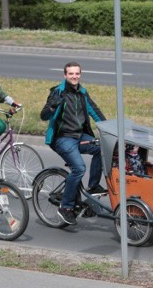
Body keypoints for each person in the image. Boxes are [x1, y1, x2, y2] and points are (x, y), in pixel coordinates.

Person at [40, 61, 106, 226]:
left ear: (80, 75)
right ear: (65, 75)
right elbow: (44, 116)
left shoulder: (82, 93)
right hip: (62, 138)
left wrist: (108, 130)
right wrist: (52, 107)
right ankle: (66, 207)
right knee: (79, 168)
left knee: (100, 148)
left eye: (77, 73)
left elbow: (95, 112)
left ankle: (93, 186)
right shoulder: (58, 92)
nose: (74, 76)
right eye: (71, 74)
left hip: (79, 136)